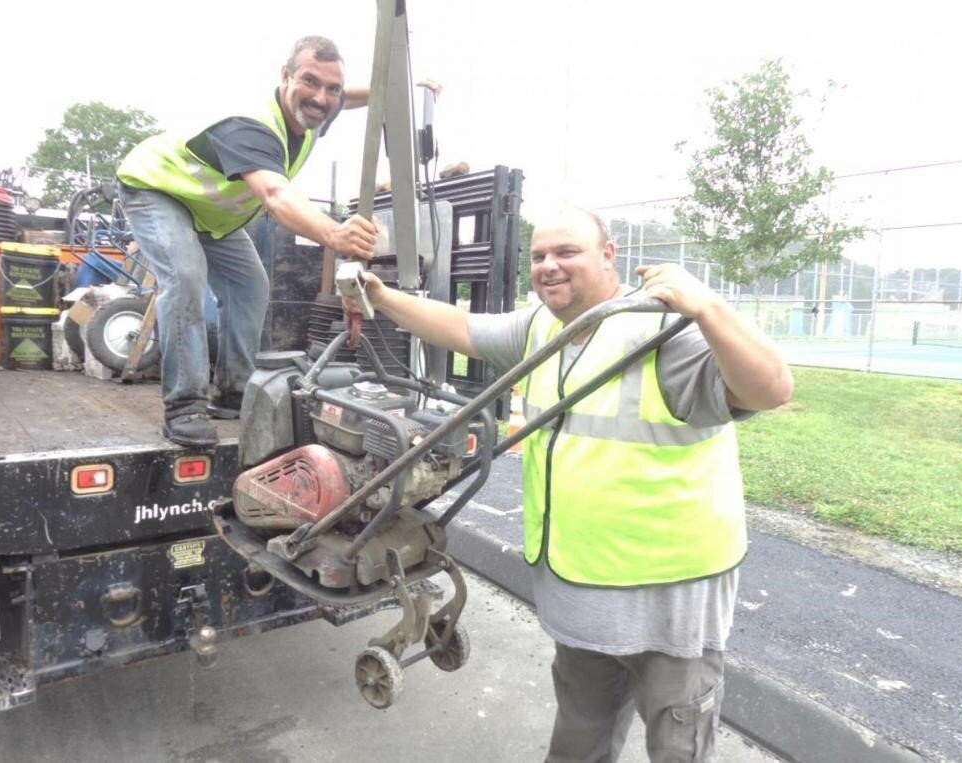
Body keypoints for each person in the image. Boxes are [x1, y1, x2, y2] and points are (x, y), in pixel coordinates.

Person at [345, 206, 793, 762]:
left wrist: (708, 307)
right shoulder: (543, 328)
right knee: (582, 734)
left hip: (668, 602)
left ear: (609, 256)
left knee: (678, 746)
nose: (548, 267)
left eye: (567, 252)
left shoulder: (665, 332)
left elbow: (771, 390)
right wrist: (381, 297)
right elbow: (461, 327)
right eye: (538, 257)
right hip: (582, 589)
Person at [117, 36, 438, 447]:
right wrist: (335, 234)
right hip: (158, 191)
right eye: (310, 82)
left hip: (211, 216)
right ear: (285, 77)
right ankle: (185, 405)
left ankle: (233, 390)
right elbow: (276, 196)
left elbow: (350, 97)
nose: (321, 98)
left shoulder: (312, 113)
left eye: (332, 88)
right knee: (185, 277)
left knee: (251, 286)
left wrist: (403, 89)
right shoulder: (250, 127)